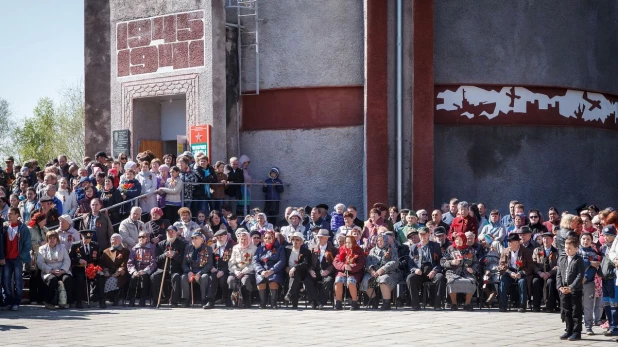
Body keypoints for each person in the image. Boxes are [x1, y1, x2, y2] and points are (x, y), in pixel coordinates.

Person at [407, 227, 445, 310]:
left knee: (440, 277)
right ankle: (415, 305)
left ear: (428, 234)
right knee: (410, 278)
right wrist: (415, 270)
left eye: (425, 234)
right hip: (420, 270)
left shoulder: (435, 246)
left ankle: (437, 304)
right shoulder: (414, 247)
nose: (423, 236)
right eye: (421, 234)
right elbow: (410, 263)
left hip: (432, 269)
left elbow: (440, 262)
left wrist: (435, 270)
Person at [359, 232, 400, 310]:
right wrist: (371, 270)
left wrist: (383, 269)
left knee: (383, 279)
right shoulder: (372, 250)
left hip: (389, 272)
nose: (379, 242)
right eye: (378, 240)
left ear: (386, 241)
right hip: (374, 272)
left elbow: (395, 262)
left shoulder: (392, 249)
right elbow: (368, 261)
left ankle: (386, 303)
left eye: (382, 240)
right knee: (366, 280)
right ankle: (374, 301)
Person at [440, 232, 479, 311]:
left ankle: (467, 304)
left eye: (460, 240)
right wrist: (451, 262)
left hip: (466, 272)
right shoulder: (450, 249)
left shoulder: (470, 250)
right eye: (457, 239)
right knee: (451, 282)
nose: (458, 241)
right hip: (453, 272)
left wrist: (473, 269)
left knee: (471, 281)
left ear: (464, 240)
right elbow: (442, 261)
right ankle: (454, 304)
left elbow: (476, 263)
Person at [557, 236, 585, 341]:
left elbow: (580, 275)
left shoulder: (579, 260)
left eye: (569, 248)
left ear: (576, 248)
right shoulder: (562, 259)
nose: (567, 250)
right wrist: (559, 286)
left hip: (575, 290)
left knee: (575, 311)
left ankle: (576, 332)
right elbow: (559, 274)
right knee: (566, 311)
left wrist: (571, 287)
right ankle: (568, 330)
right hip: (564, 289)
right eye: (565, 248)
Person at [150, 226, 185, 308]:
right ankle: (157, 300)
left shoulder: (182, 244)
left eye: (172, 231)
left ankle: (173, 301)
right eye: (168, 232)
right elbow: (156, 259)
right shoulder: (160, 244)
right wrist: (164, 255)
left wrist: (175, 255)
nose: (170, 233)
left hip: (175, 269)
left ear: (176, 233)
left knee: (176, 277)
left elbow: (183, 260)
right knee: (153, 277)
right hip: (163, 269)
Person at [498, 233, 534, 312]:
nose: (509, 244)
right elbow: (501, 266)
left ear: (517, 243)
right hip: (509, 272)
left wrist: (520, 273)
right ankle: (503, 305)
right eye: (508, 242)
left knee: (522, 282)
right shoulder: (505, 251)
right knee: (503, 282)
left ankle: (522, 305)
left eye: (511, 242)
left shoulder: (526, 251)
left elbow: (530, 267)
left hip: (521, 271)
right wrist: (510, 272)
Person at [70, 229, 106, 308]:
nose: (87, 240)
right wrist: (78, 260)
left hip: (92, 268)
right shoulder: (75, 245)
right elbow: (70, 258)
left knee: (100, 277)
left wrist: (98, 268)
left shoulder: (95, 245)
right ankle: (79, 301)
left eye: (89, 238)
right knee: (79, 278)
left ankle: (102, 300)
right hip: (80, 268)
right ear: (81, 236)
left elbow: (99, 260)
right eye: (85, 238)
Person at [37, 230, 73, 309]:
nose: (52, 240)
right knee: (52, 280)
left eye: (54, 238)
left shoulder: (62, 247)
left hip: (62, 270)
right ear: (47, 239)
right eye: (50, 238)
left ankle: (67, 302)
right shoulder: (42, 248)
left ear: (57, 239)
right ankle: (48, 302)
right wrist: (51, 270)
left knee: (67, 279)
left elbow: (67, 260)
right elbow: (40, 263)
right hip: (48, 271)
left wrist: (63, 270)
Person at [304, 229, 337, 310]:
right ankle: (314, 301)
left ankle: (321, 302)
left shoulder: (333, 250)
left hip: (326, 272)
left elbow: (335, 263)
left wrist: (327, 271)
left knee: (328, 281)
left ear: (326, 238)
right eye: (318, 237)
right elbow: (308, 263)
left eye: (321, 237)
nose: (319, 239)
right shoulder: (313, 249)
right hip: (315, 271)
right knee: (307, 280)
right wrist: (310, 270)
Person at [253, 230, 285, 309]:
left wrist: (272, 270)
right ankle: (262, 302)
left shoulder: (280, 248)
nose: (267, 240)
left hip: (275, 270)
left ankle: (273, 302)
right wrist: (261, 271)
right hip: (262, 270)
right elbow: (255, 261)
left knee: (273, 280)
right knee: (261, 280)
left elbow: (282, 261)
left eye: (269, 238)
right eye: (265, 238)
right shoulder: (260, 248)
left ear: (273, 238)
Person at [181, 230, 214, 308]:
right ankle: (185, 300)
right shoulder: (188, 248)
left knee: (205, 277)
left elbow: (209, 264)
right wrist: (188, 272)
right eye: (192, 238)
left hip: (202, 271)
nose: (194, 240)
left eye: (196, 238)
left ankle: (204, 300)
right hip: (191, 271)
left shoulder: (208, 249)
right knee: (183, 277)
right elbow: (184, 263)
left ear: (202, 239)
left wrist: (200, 273)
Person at [333, 235, 366, 310]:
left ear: (353, 242)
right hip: (342, 271)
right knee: (338, 280)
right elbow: (336, 261)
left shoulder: (359, 250)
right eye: (346, 242)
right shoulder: (341, 249)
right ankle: (338, 302)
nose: (347, 244)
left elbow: (361, 263)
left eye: (350, 242)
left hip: (355, 272)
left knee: (350, 281)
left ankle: (354, 302)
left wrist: (351, 267)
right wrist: (344, 266)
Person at [579, 232, 603, 334]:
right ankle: (575, 326)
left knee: (588, 305)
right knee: (576, 305)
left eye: (588, 239)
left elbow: (594, 268)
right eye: (584, 239)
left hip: (588, 283)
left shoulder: (594, 254)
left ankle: (588, 326)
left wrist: (586, 277)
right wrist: (588, 262)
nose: (586, 241)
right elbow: (577, 264)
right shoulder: (576, 252)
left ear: (591, 241)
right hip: (576, 282)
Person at [228, 228, 257, 308]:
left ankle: (246, 299)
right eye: (241, 239)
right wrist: (236, 271)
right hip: (236, 270)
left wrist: (243, 272)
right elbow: (231, 261)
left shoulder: (254, 248)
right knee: (231, 280)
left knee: (245, 280)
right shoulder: (235, 248)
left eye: (245, 239)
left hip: (247, 271)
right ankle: (235, 298)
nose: (243, 241)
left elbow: (254, 263)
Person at [281, 231, 311, 308]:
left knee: (295, 275)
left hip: (300, 272)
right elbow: (283, 260)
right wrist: (286, 267)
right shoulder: (287, 249)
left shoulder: (305, 251)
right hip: (287, 271)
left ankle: (289, 295)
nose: (295, 241)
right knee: (294, 277)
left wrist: (295, 268)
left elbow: (306, 264)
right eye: (293, 239)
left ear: (301, 242)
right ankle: (293, 301)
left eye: (297, 240)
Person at [127, 231, 157, 307]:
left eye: (143, 237)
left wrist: (145, 271)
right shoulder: (134, 248)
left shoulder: (152, 248)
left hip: (146, 270)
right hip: (137, 269)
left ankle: (142, 299)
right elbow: (130, 263)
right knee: (133, 278)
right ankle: (132, 299)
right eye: (139, 237)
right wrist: (133, 271)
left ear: (147, 238)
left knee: (144, 278)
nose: (141, 238)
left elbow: (153, 262)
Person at [531, 232, 558, 312]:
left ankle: (550, 306)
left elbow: (558, 265)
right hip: (540, 273)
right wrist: (539, 273)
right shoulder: (537, 250)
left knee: (550, 282)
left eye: (547, 238)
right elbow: (533, 263)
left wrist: (550, 273)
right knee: (535, 281)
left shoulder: (556, 251)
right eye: (544, 238)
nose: (545, 240)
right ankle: (536, 305)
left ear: (552, 240)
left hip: (551, 273)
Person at [27, 212, 48, 305]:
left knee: (42, 277)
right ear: (39, 221)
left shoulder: (45, 229)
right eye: (43, 220)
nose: (45, 221)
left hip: (44, 256)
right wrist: (39, 244)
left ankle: (42, 297)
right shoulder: (30, 230)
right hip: (34, 256)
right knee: (34, 277)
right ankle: (33, 298)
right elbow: (28, 243)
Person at [210, 229, 234, 307]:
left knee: (223, 280)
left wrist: (223, 271)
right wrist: (211, 267)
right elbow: (208, 260)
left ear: (226, 236)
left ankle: (227, 299)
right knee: (211, 279)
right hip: (214, 269)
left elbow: (232, 262)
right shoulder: (213, 246)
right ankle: (211, 301)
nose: (219, 239)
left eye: (221, 237)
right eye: (218, 237)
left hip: (226, 270)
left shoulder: (231, 247)